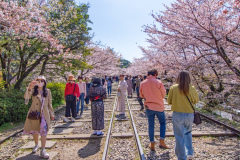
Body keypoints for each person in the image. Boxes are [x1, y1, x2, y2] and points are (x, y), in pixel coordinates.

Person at [167, 70, 199, 160]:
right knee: (188, 133)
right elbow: (196, 101)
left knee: (179, 136)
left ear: (178, 78)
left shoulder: (174, 88)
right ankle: (190, 153)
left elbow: (169, 101)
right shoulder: (192, 88)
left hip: (177, 114)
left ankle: (181, 157)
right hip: (189, 114)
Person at [23, 76, 54, 159]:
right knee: (35, 130)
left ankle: (43, 149)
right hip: (34, 113)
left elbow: (49, 103)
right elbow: (26, 97)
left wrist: (52, 114)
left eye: (42, 81)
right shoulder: (33, 90)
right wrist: (29, 87)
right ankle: (36, 144)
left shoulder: (47, 91)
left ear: (44, 82)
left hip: (44, 114)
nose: (40, 82)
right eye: (38, 80)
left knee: (44, 131)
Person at [140, 69, 169, 151]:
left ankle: (152, 143)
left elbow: (141, 95)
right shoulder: (159, 82)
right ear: (155, 74)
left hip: (148, 106)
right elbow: (163, 95)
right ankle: (162, 141)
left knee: (151, 124)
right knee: (162, 123)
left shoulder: (143, 83)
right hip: (159, 106)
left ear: (147, 74)